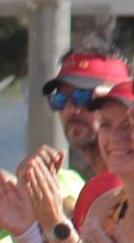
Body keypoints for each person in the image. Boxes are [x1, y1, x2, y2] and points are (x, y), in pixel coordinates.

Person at [41, 47, 131, 180]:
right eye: (59, 99)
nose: (69, 110)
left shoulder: (124, 183)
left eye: (82, 96)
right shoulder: (95, 187)